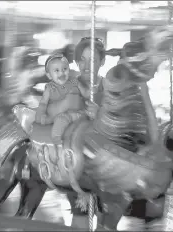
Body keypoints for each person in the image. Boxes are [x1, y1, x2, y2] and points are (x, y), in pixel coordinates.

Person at [64, 37, 106, 229]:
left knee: (106, 217)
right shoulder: (69, 87)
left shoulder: (109, 88)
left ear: (102, 61)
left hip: (105, 162)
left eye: (93, 60)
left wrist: (100, 115)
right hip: (78, 162)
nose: (86, 65)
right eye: (82, 59)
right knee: (80, 215)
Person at [35, 53, 88, 145]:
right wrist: (40, 113)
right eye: (56, 70)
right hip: (58, 113)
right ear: (49, 75)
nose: (62, 73)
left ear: (69, 69)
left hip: (75, 112)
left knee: (84, 116)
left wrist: (91, 91)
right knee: (61, 119)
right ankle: (56, 136)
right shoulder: (50, 88)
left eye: (65, 69)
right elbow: (43, 103)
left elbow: (85, 93)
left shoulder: (74, 81)